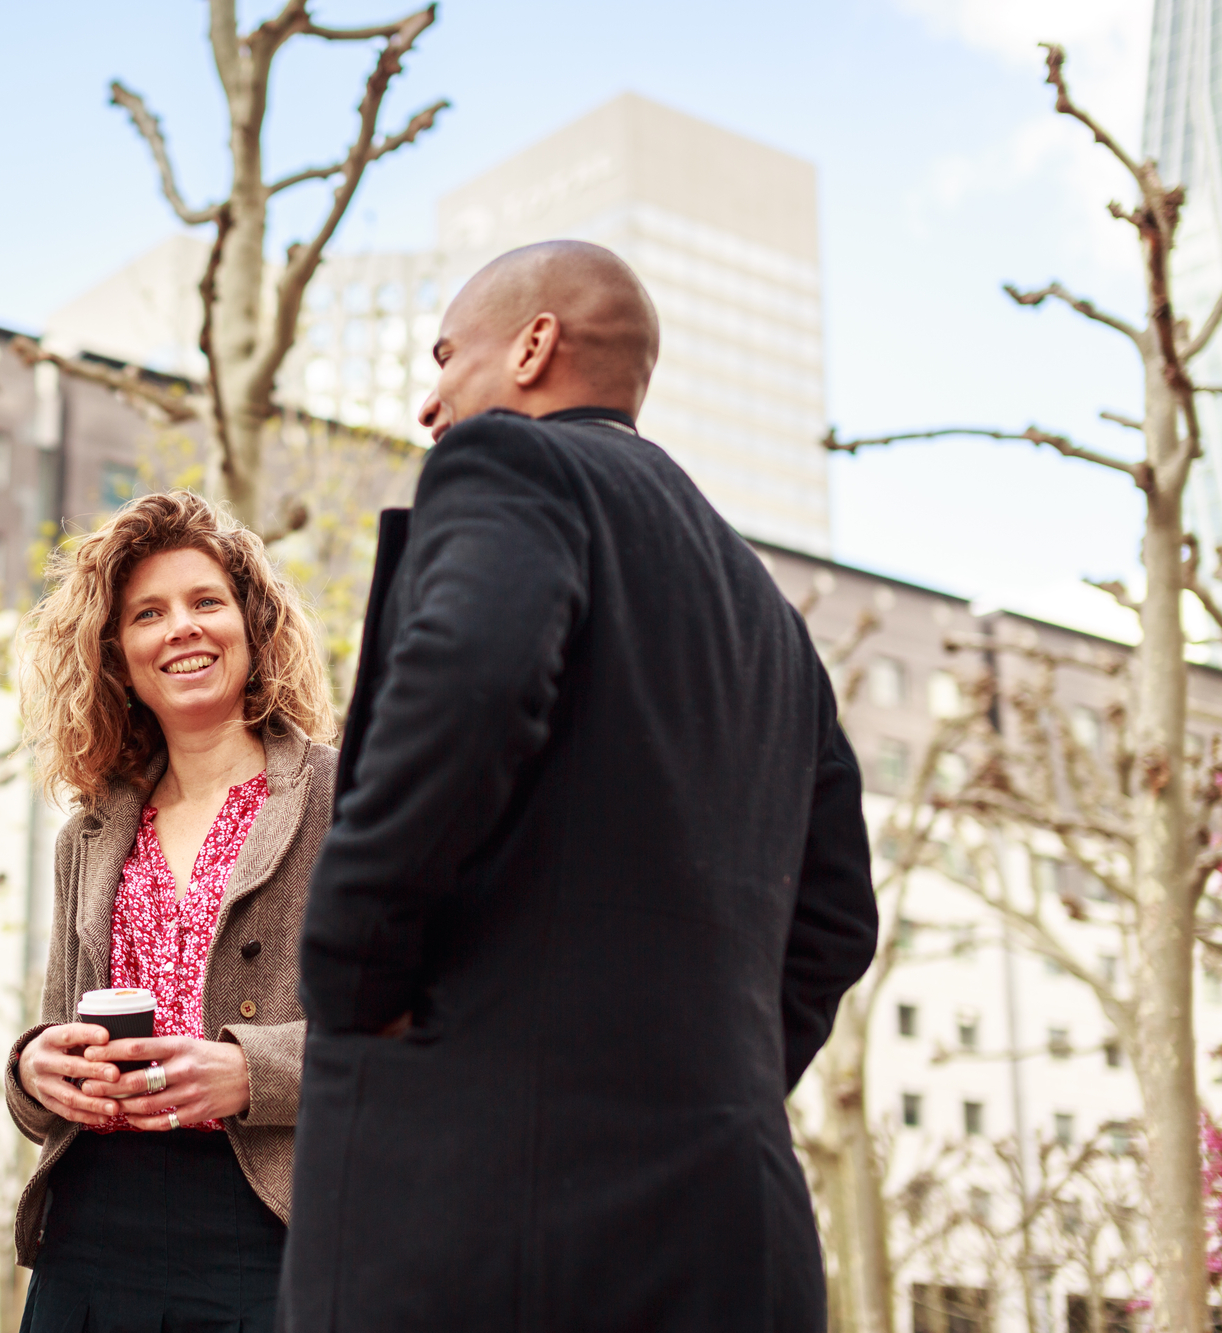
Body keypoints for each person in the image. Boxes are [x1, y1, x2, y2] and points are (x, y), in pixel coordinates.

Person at [279, 242, 879, 1332]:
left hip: (485, 1222)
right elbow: (837, 920)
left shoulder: (511, 466)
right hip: (731, 1232)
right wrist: (707, 1088)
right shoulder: (769, 619)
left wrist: (352, 968)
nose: (429, 401)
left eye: (446, 355)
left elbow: (475, 671)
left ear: (534, 346)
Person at [6, 490, 340, 1332]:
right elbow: (54, 1026)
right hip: (89, 1235)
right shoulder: (89, 828)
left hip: (271, 1232)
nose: (180, 628)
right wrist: (32, 1069)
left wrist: (252, 1072)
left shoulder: (351, 795)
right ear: (116, 656)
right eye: (147, 613)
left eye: (205, 602)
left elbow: (428, 1032)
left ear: (253, 625)